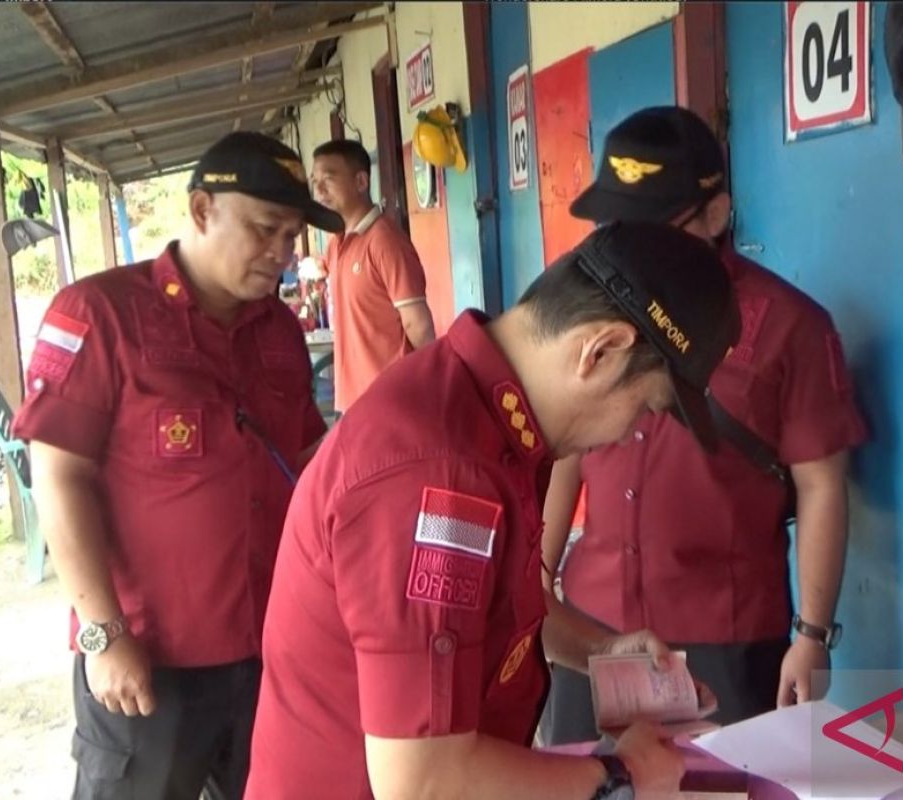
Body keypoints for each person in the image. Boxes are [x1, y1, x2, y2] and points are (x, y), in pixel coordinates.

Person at [245, 222, 741, 800]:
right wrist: (620, 775)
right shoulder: (439, 477)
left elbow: (490, 605)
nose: (630, 432)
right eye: (647, 408)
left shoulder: (491, 419)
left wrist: (601, 649)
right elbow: (421, 784)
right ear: (601, 351)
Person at [13, 131, 340, 800]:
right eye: (265, 229)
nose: (281, 253)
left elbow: (307, 459)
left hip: (276, 648)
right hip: (148, 663)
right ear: (200, 211)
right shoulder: (101, 314)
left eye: (292, 235)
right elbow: (59, 475)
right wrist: (102, 635)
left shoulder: (277, 329)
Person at [540, 107, 869, 744]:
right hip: (594, 627)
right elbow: (566, 448)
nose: (631, 248)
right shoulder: (590, 309)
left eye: (654, 229)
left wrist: (813, 635)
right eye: (616, 227)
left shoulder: (788, 325)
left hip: (725, 638)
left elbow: (823, 484)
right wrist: (537, 585)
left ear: (715, 215)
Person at [310, 138, 436, 411]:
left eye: (328, 179)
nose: (318, 190)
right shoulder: (336, 245)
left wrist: (432, 389)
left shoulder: (385, 241)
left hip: (392, 402)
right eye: (314, 181)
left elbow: (419, 326)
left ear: (361, 182)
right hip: (353, 401)